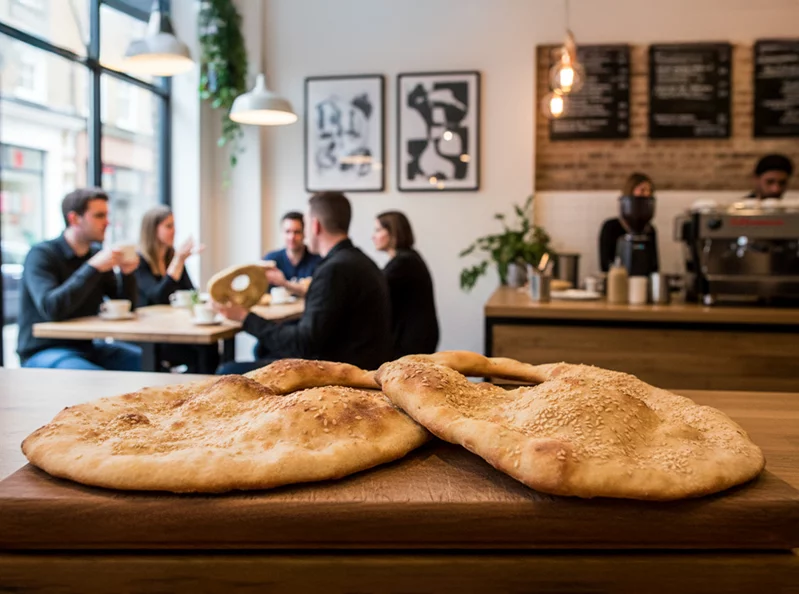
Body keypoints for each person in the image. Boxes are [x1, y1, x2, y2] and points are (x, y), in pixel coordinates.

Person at [214, 192, 392, 374]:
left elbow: (303, 344)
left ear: (315, 226)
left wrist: (245, 317)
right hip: (359, 365)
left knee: (226, 371)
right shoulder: (362, 261)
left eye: (304, 226)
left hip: (335, 373)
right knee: (261, 351)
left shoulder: (334, 270)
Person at [17, 188, 142, 370]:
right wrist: (92, 268)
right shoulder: (41, 255)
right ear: (74, 219)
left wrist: (127, 273)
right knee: (96, 379)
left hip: (88, 346)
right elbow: (52, 308)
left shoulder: (96, 255)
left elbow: (126, 307)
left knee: (150, 363)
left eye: (107, 215)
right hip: (43, 350)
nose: (107, 222)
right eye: (99, 216)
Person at [134, 205, 210, 372]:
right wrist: (179, 261)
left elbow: (191, 292)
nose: (174, 231)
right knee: (199, 352)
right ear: (153, 230)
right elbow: (158, 296)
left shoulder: (171, 257)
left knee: (208, 347)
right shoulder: (139, 261)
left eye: (174, 225)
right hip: (151, 334)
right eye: (168, 226)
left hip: (175, 327)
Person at [372, 211, 439, 357]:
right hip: (413, 336)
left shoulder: (404, 262)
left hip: (410, 340)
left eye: (378, 230)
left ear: (393, 232)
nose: (373, 236)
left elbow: (375, 290)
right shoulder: (407, 258)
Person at [599, 173, 659, 273]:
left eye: (650, 191)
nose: (647, 194)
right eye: (642, 190)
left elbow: (654, 266)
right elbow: (605, 264)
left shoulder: (650, 230)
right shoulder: (610, 227)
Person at [263, 211, 322, 297]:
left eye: (297, 232)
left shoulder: (318, 261)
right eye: (287, 231)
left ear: (304, 233)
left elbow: (317, 292)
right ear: (282, 233)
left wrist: (284, 283)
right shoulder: (270, 260)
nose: (292, 237)